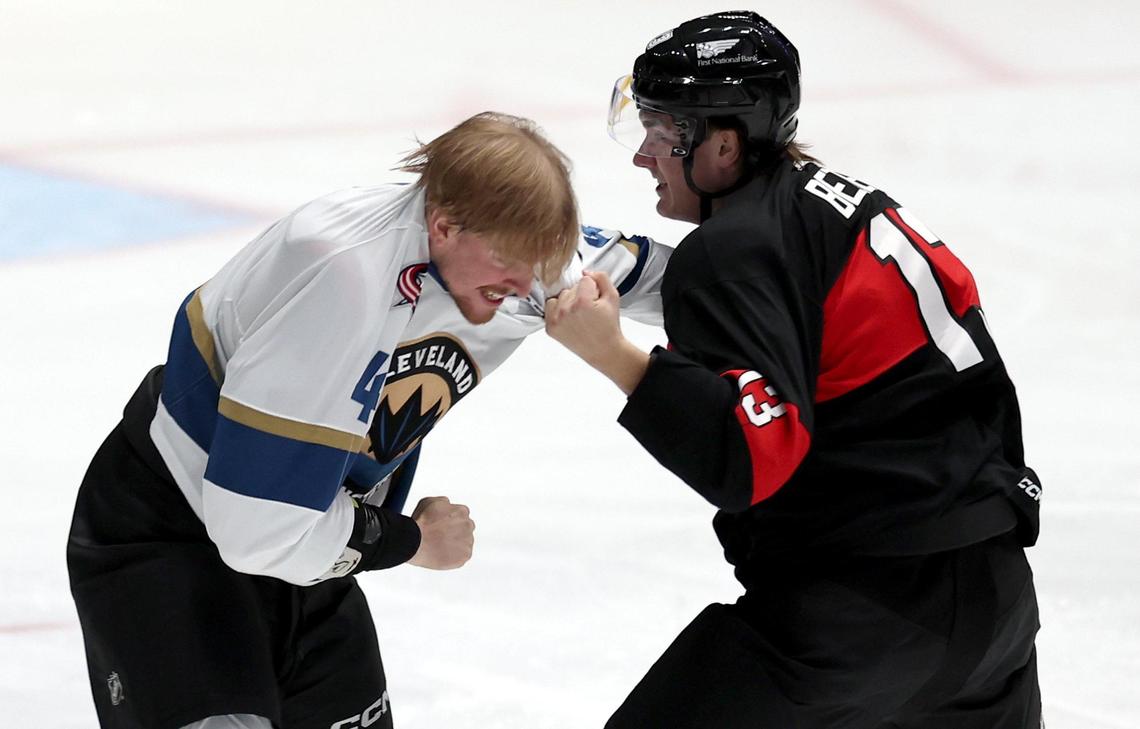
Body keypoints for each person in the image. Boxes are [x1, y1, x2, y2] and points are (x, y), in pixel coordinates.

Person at [67, 111, 671, 729]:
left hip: (307, 545)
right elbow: (255, 530)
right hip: (173, 545)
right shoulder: (341, 279)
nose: (525, 289)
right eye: (508, 273)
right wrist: (411, 542)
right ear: (444, 226)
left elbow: (677, 279)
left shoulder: (510, 256)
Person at [546, 12, 1043, 728]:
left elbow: (754, 458)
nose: (643, 156)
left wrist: (616, 358)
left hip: (855, 626)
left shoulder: (731, 251)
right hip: (995, 610)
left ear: (724, 142)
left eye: (663, 132)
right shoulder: (834, 202)